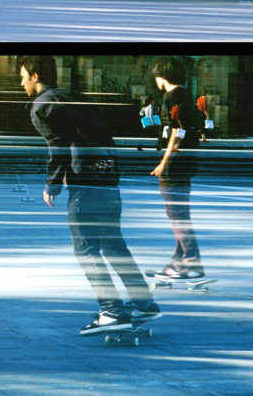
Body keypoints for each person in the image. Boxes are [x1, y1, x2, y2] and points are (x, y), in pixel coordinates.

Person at [19, 56, 161, 334]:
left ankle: (111, 310)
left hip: (85, 185)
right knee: (114, 246)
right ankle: (144, 304)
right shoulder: (77, 97)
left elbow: (57, 144)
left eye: (23, 76)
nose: (21, 82)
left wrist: (52, 184)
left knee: (86, 250)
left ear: (35, 76)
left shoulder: (43, 105)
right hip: (108, 179)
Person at [149, 57, 206, 279]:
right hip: (185, 163)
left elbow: (177, 132)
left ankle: (192, 261)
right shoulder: (187, 95)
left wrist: (164, 162)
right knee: (178, 213)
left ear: (161, 76)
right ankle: (179, 260)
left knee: (178, 215)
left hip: (175, 165)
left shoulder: (171, 97)